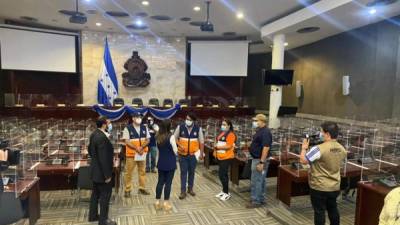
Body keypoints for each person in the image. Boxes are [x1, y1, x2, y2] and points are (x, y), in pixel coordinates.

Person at [300, 121, 347, 225]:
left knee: (319, 212)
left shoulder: (318, 149)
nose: (320, 134)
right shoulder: (342, 149)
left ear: (328, 134)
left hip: (319, 187)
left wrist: (304, 148)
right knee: (333, 209)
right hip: (334, 186)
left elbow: (303, 160)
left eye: (321, 132)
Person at [88, 116, 116, 225]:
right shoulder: (102, 138)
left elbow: (90, 150)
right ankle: (103, 220)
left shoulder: (94, 134)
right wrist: (107, 175)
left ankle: (93, 216)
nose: (109, 124)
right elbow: (103, 158)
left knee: (95, 194)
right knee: (105, 195)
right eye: (108, 122)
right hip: (102, 173)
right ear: (104, 124)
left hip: (95, 171)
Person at [174, 112, 204, 200]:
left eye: (190, 120)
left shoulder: (198, 129)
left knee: (191, 172)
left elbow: (201, 142)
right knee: (183, 172)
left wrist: (201, 153)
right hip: (182, 155)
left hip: (193, 155)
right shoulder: (180, 127)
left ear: (193, 121)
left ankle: (190, 189)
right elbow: (174, 138)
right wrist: (179, 145)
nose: (188, 121)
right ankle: (182, 191)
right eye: (187, 119)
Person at [246, 114, 272, 209]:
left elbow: (266, 148)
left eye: (256, 120)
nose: (255, 122)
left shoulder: (266, 132)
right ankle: (260, 198)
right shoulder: (260, 130)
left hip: (259, 160)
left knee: (256, 180)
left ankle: (256, 201)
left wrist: (262, 162)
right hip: (257, 159)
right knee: (260, 180)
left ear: (262, 121)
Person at [122, 112, 151, 197]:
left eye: (140, 117)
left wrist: (141, 147)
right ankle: (127, 189)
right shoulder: (127, 128)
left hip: (141, 154)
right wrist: (136, 148)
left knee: (142, 172)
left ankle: (142, 188)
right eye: (137, 117)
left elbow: (148, 140)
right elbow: (127, 141)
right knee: (129, 173)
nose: (139, 119)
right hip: (131, 154)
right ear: (133, 118)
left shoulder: (144, 128)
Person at [154, 119, 178, 211]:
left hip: (161, 162)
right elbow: (175, 151)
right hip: (170, 163)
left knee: (160, 182)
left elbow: (158, 151)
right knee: (168, 183)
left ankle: (157, 202)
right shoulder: (171, 136)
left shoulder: (157, 136)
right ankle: (166, 203)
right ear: (168, 126)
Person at [214, 119, 236, 201]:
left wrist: (218, 147)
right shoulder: (222, 133)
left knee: (222, 175)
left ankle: (227, 193)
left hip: (227, 157)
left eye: (224, 124)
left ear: (229, 126)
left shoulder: (231, 134)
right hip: (220, 156)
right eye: (222, 124)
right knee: (223, 175)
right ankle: (223, 191)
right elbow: (218, 141)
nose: (222, 126)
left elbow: (229, 146)